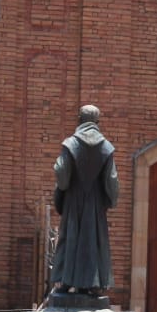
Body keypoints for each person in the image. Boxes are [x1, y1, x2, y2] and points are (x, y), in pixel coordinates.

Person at [49, 104, 119, 297]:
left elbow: (62, 174)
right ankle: (94, 284)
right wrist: (111, 199)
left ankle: (65, 280)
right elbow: (111, 179)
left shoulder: (70, 144)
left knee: (70, 238)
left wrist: (64, 188)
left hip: (74, 200)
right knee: (93, 240)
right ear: (97, 122)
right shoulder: (106, 147)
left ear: (79, 119)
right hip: (95, 203)